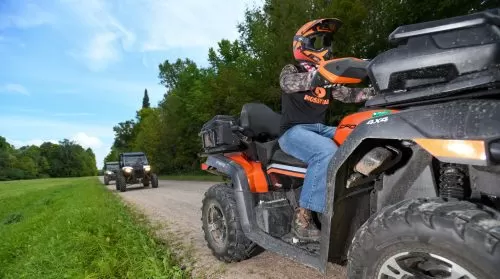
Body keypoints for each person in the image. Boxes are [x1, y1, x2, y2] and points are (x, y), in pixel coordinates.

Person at [278, 18, 376, 241]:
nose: (325, 47)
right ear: (304, 45)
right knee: (326, 152)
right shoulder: (292, 69)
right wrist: (322, 76)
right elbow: (288, 84)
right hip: (293, 132)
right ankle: (303, 216)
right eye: (319, 41)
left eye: (327, 42)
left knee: (361, 134)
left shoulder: (327, 80)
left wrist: (377, 91)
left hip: (322, 128)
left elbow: (352, 95)